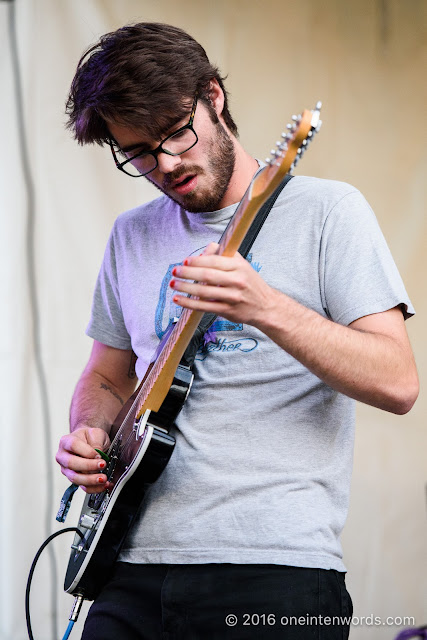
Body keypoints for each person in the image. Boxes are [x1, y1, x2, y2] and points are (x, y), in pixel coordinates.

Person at [55, 22, 419, 640]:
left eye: (176, 133)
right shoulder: (132, 236)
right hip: (127, 568)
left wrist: (267, 307)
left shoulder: (330, 212)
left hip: (273, 571)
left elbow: (399, 381)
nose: (165, 163)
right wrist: (87, 430)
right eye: (139, 152)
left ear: (214, 96)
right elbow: (106, 376)